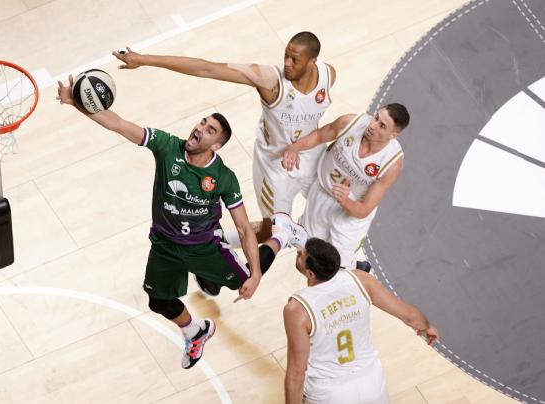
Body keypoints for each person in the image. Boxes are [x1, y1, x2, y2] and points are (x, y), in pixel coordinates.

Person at [56, 75, 300, 369]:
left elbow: (246, 228)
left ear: (217, 145)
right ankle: (196, 330)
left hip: (204, 246)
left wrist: (258, 275)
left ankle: (282, 236)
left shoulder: (223, 177)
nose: (200, 129)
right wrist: (77, 103)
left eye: (210, 130)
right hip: (165, 244)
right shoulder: (166, 146)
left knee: (245, 278)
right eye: (202, 122)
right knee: (158, 302)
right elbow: (118, 123)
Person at [113, 31, 336, 246]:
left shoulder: (328, 76)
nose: (287, 62)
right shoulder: (271, 80)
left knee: (338, 208)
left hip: (311, 155)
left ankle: (344, 263)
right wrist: (143, 59)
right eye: (286, 55)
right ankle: (217, 243)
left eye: (295, 59)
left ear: (312, 62)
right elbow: (206, 68)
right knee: (273, 232)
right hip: (274, 165)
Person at [283, 238, 439, 403]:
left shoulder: (297, 309)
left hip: (329, 392)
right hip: (371, 382)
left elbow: (296, 375)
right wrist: (426, 327)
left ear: (310, 274)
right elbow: (409, 316)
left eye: (301, 255)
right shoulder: (360, 279)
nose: (298, 252)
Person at [281, 104, 410, 270]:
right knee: (308, 257)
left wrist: (345, 201)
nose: (372, 125)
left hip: (352, 213)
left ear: (393, 135)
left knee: (338, 271)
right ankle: (357, 265)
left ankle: (353, 268)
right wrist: (294, 148)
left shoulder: (392, 164)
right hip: (323, 192)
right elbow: (320, 135)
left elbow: (364, 210)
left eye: (382, 126)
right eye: (376, 117)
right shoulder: (350, 123)